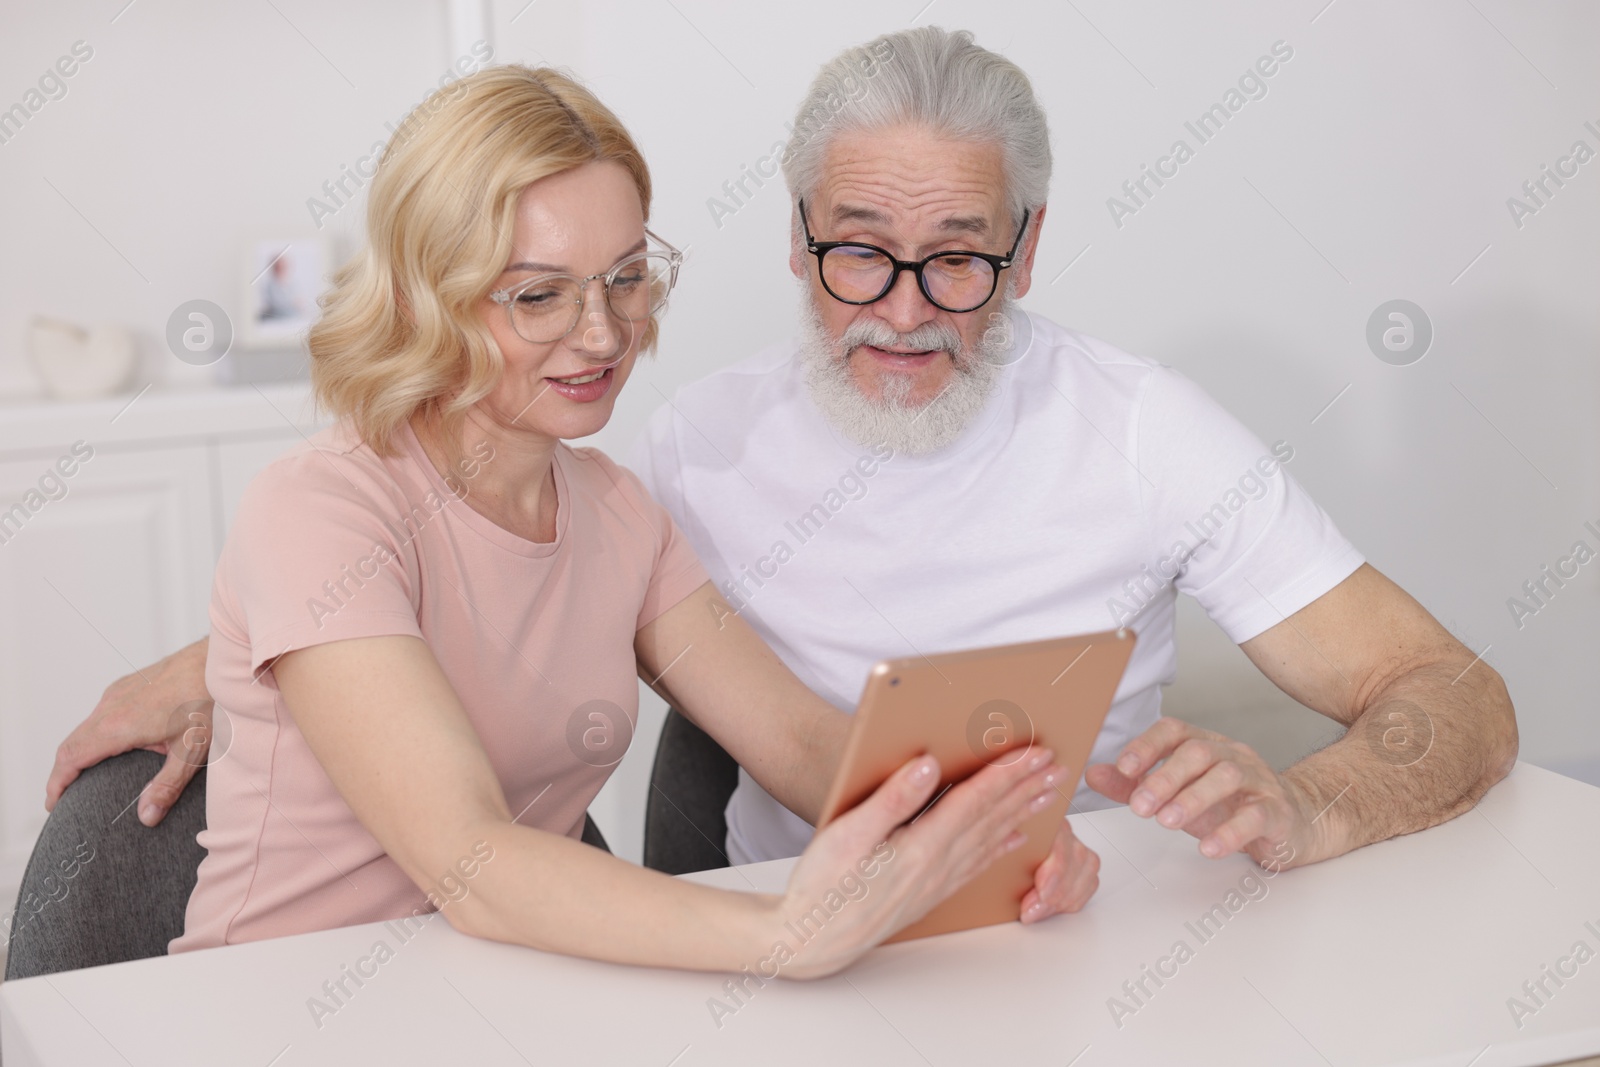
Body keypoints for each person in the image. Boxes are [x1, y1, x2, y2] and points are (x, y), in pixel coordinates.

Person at [53, 27, 1516, 890]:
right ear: (796, 233)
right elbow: (460, 544)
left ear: (1029, 247)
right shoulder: (686, 443)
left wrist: (1314, 802)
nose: (900, 311)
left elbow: (1452, 689)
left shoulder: (1148, 428)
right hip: (788, 923)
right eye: (858, 254)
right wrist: (228, 659)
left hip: (1077, 915)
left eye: (956, 263)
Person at [46, 63, 1094, 976]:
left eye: (626, 278)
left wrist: (1008, 828)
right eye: (537, 296)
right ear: (429, 297)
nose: (603, 334)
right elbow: (471, 858)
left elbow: (805, 742)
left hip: (520, 999)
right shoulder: (320, 505)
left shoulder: (619, 513)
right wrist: (783, 931)